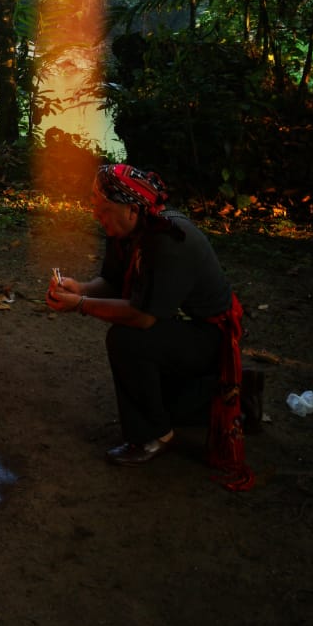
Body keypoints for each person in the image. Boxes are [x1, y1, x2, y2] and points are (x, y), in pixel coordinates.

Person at [46, 162, 253, 490]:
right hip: (178, 326)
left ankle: (153, 435)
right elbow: (113, 282)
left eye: (103, 209)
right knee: (133, 342)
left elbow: (143, 316)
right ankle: (171, 411)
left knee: (127, 339)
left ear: (131, 210)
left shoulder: (169, 239)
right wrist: (82, 289)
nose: (96, 215)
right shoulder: (125, 232)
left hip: (210, 336)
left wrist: (82, 306)